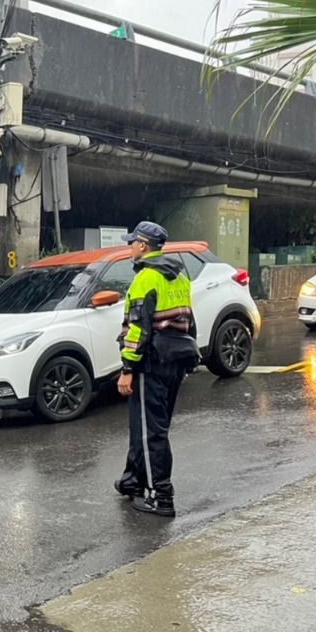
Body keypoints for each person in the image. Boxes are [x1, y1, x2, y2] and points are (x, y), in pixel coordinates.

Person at [113, 221, 199, 517]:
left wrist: (127, 369)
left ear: (143, 246)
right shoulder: (179, 277)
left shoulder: (145, 279)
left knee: (150, 432)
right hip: (175, 360)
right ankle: (133, 479)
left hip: (150, 363)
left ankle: (159, 496)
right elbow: (189, 321)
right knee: (149, 426)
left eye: (132, 242)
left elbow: (136, 328)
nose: (130, 247)